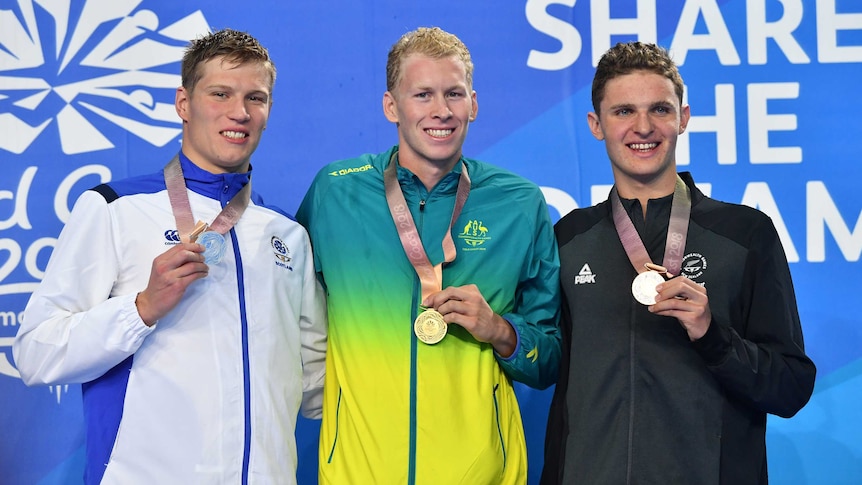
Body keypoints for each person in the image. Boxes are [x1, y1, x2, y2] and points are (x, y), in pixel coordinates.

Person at [13, 28, 327, 484]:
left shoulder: (287, 234)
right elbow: (36, 352)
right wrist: (140, 309)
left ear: (268, 111)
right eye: (220, 94)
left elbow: (317, 383)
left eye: (255, 98)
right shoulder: (114, 208)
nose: (239, 112)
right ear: (184, 103)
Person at [541, 41, 816, 484]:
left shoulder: (745, 234)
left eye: (661, 110)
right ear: (596, 125)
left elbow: (791, 386)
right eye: (623, 111)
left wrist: (713, 336)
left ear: (683, 118)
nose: (643, 127)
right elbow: (549, 367)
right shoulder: (568, 239)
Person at [296, 26, 560, 484]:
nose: (441, 111)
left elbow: (552, 356)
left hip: (482, 474)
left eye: (454, 94)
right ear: (391, 106)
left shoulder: (518, 203)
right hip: (358, 472)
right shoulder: (335, 192)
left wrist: (500, 330)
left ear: (474, 104)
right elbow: (287, 310)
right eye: (422, 94)